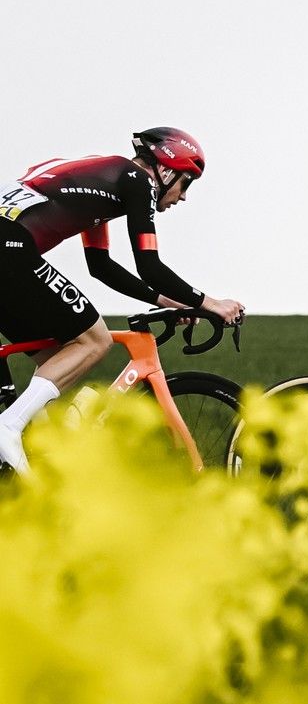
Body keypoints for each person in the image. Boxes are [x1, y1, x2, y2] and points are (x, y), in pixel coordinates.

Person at [0, 127, 246, 473]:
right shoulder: (138, 181)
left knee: (61, 355)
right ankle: (8, 426)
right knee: (95, 340)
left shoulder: (102, 182)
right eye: (186, 182)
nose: (184, 196)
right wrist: (211, 303)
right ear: (165, 169)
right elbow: (150, 266)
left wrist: (171, 302)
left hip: (7, 247)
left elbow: (101, 267)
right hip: (9, 248)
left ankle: (34, 449)